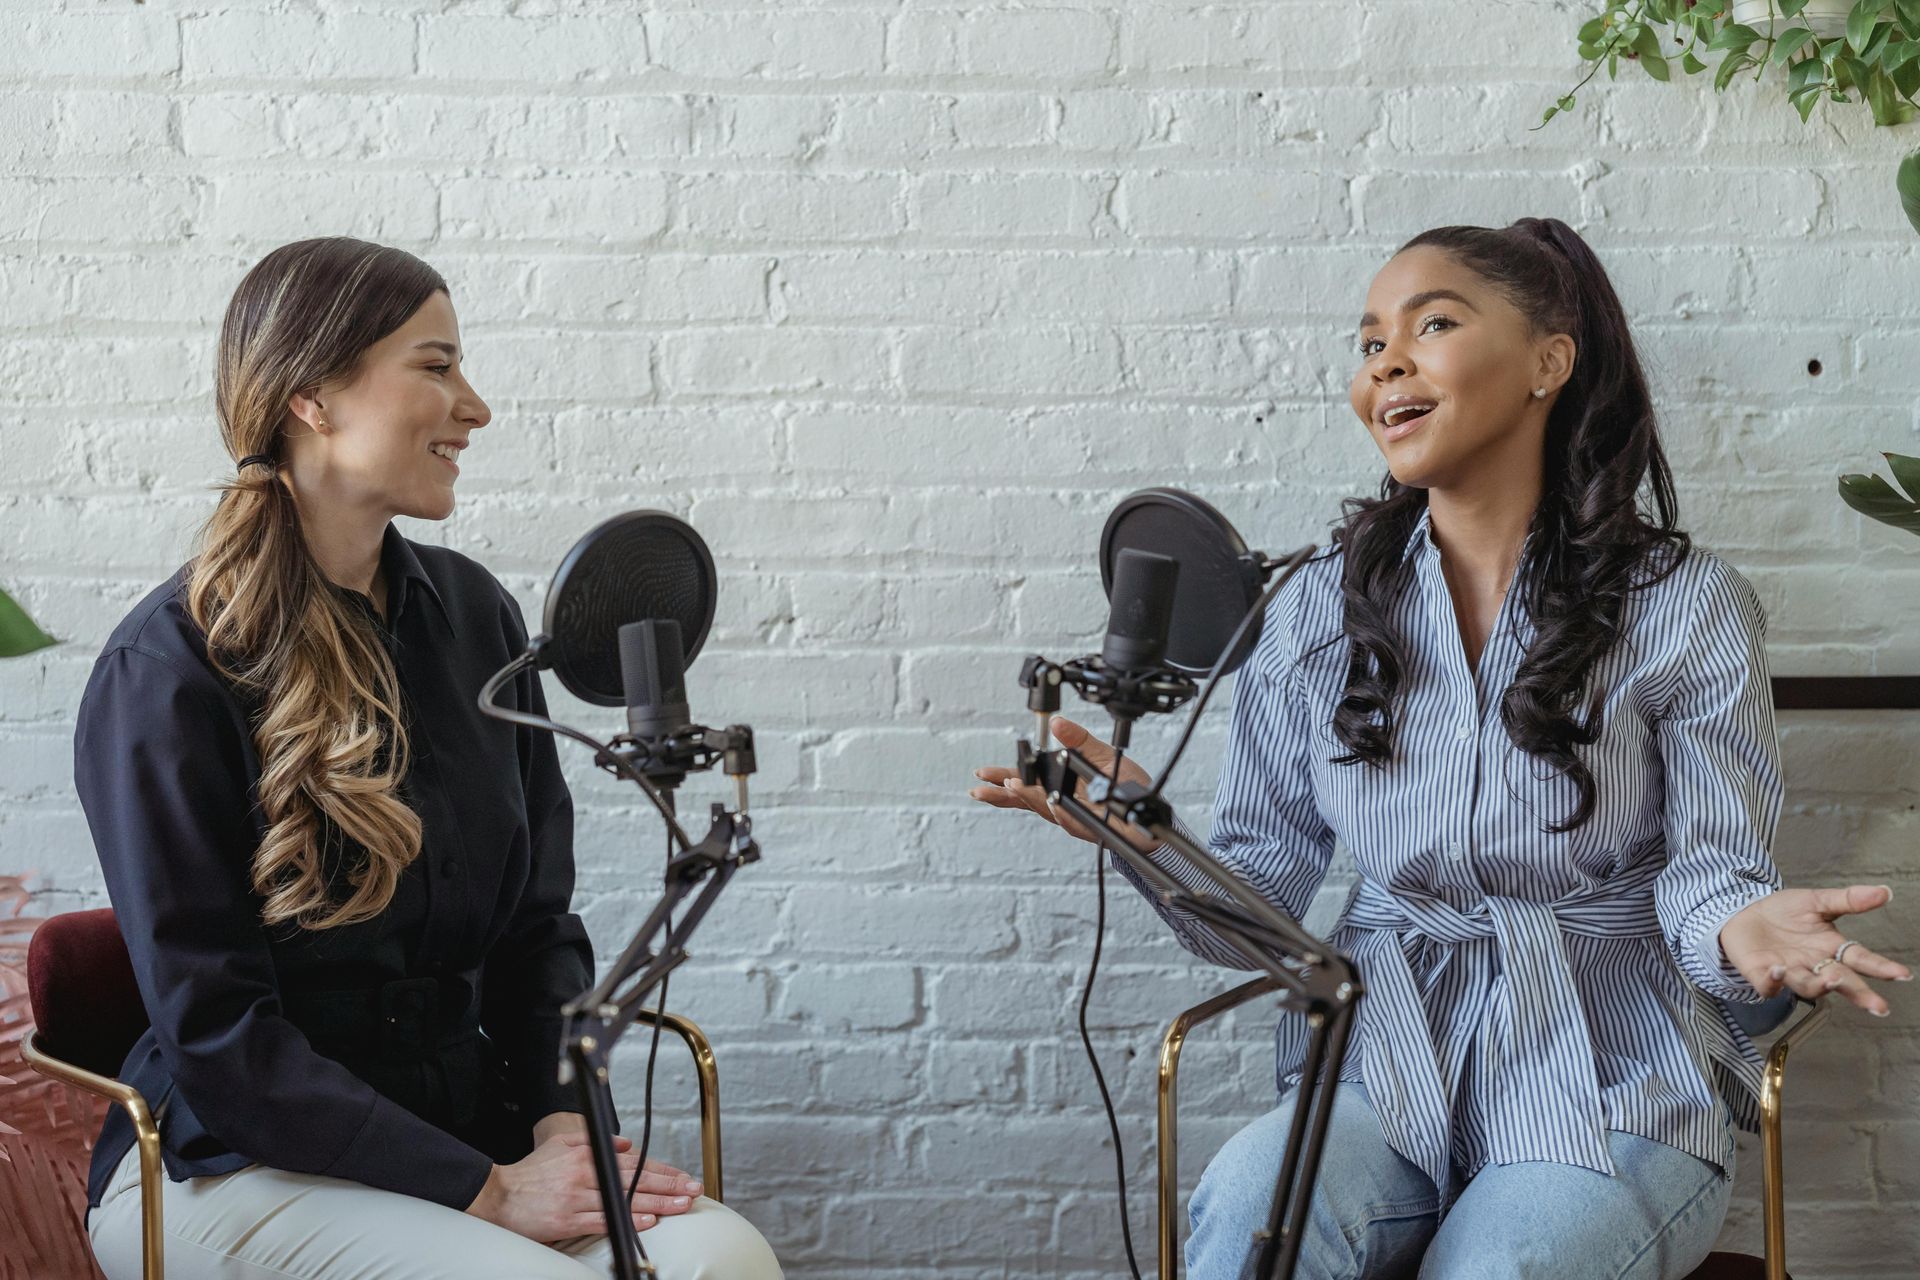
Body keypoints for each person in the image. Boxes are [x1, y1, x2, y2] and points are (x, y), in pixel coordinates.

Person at [971, 217, 1909, 1279]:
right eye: (1371, 343)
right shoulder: (1311, 606)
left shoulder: (1685, 604)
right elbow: (1261, 912)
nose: (1389, 363)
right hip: (1384, 1061)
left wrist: (1744, 921)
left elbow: (1709, 866)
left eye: (1435, 324)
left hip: (1614, 1069)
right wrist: (1146, 835)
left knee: (1504, 1263)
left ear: (1548, 361)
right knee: (1243, 1213)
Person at [74, 237, 782, 1280]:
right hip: (238, 1170)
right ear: (314, 394)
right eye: (437, 365)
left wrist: (550, 1123)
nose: (476, 407)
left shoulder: (478, 621)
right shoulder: (167, 670)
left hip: (469, 1130)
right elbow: (220, 1036)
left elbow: (537, 931)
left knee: (724, 1255)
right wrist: (488, 1191)